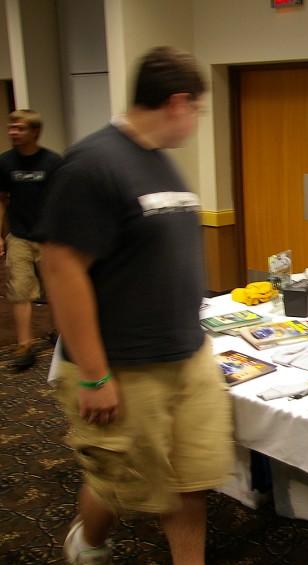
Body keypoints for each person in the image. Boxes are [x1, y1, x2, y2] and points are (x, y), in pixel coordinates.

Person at [39, 46, 234, 565]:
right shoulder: (94, 164)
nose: (195, 121)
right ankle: (90, 543)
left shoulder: (160, 163)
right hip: (126, 364)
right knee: (127, 481)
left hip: (186, 353)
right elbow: (60, 268)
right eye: (197, 110)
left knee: (188, 482)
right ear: (177, 102)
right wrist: (96, 375)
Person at [0, 109, 62, 370]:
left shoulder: (52, 162)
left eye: (20, 128)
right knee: (20, 291)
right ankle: (25, 345)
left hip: (49, 237)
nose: (13, 132)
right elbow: (1, 200)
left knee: (55, 289)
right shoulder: (5, 162)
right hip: (19, 236)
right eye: (12, 127)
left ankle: (58, 333)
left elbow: (62, 201)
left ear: (35, 132)